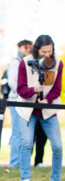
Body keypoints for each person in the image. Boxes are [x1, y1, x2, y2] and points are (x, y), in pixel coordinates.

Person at [16, 34, 65, 181]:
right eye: (43, 52)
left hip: (48, 109)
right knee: (26, 144)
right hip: (28, 108)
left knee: (58, 146)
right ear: (36, 50)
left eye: (50, 51)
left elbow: (57, 88)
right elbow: (20, 89)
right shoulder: (25, 63)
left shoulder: (58, 63)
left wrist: (48, 99)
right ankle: (25, 179)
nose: (47, 55)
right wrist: (34, 90)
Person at [7, 39, 32, 168]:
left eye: (30, 47)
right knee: (17, 133)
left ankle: (23, 162)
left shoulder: (29, 63)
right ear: (20, 48)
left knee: (25, 134)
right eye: (25, 47)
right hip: (16, 101)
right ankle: (14, 162)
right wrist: (26, 92)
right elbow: (13, 83)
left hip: (27, 102)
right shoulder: (15, 63)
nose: (28, 49)